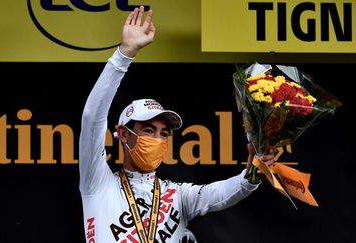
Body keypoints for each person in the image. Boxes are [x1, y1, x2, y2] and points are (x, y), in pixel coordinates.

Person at [78, 6, 275, 243]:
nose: (157, 140)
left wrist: (251, 176)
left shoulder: (177, 195)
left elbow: (219, 194)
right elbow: (92, 117)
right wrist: (124, 55)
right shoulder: (97, 182)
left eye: (163, 134)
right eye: (149, 130)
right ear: (123, 133)